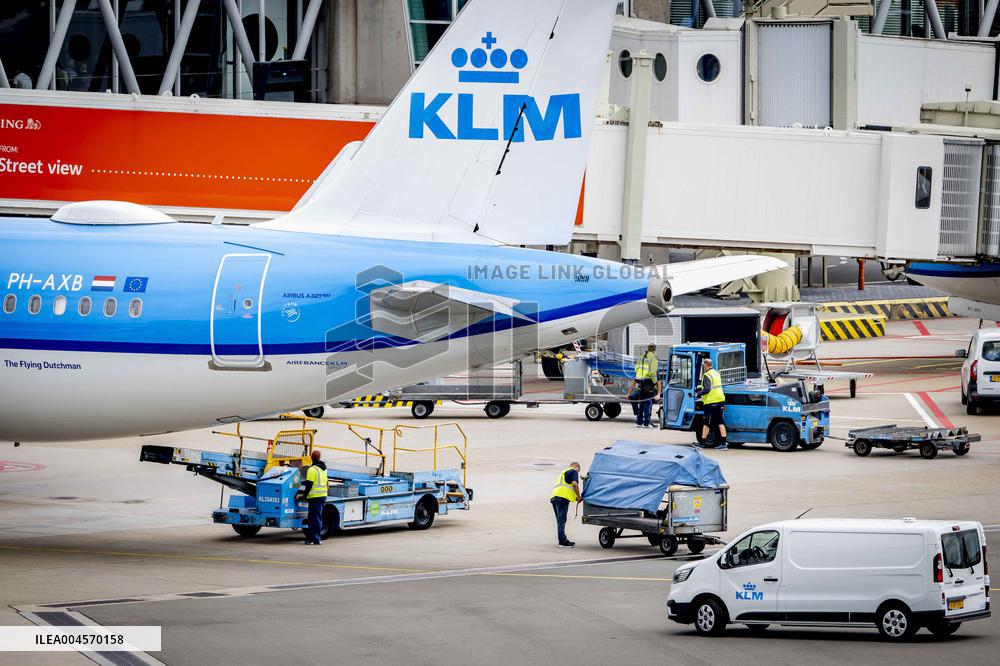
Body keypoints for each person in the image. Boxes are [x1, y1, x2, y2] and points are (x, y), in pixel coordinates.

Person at [296, 449, 329, 545]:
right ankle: (313, 538)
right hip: (322, 495)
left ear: (311, 458)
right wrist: (301, 483)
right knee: (316, 517)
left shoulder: (312, 469)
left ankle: (315, 539)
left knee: (314, 518)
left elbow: (309, 485)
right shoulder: (324, 469)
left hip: (315, 497)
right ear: (319, 458)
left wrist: (304, 496)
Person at [695, 358, 727, 451]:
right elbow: (713, 386)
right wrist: (701, 388)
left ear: (705, 365)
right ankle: (724, 443)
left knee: (707, 423)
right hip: (720, 400)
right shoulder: (716, 373)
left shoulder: (706, 375)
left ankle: (702, 443)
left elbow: (708, 389)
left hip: (711, 402)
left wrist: (699, 393)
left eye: (703, 365)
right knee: (720, 422)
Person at [628, 343, 660, 428]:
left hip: (640, 382)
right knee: (647, 403)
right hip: (648, 382)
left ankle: (639, 422)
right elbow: (653, 372)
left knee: (641, 402)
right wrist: (654, 382)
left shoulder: (642, 356)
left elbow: (636, 368)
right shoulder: (654, 357)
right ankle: (646, 423)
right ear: (654, 349)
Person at [550, 462, 582, 548]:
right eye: (579, 470)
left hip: (554, 497)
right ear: (576, 467)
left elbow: (566, 487)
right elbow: (574, 484)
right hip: (562, 499)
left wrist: (574, 497)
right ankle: (562, 541)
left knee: (560, 520)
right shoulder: (573, 471)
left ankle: (563, 539)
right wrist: (578, 496)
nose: (578, 473)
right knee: (561, 520)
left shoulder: (563, 472)